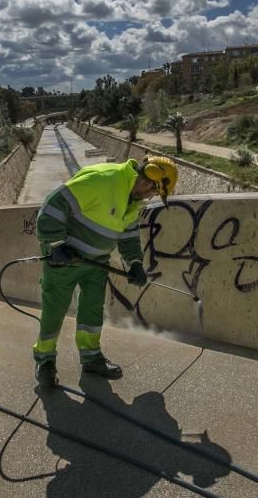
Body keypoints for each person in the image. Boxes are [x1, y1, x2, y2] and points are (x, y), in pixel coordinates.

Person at [32, 156, 179, 387]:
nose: (150, 197)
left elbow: (128, 235)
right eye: (153, 193)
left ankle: (91, 358)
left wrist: (135, 264)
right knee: (55, 309)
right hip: (65, 260)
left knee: (92, 310)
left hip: (96, 263)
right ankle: (45, 361)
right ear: (148, 182)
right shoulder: (102, 180)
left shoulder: (132, 200)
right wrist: (56, 245)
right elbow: (51, 208)